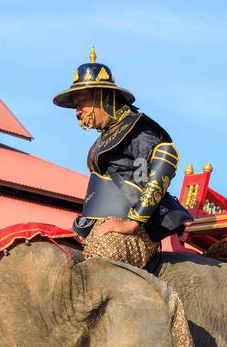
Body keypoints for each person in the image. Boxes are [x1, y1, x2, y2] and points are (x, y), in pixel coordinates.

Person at [52, 48, 191, 268]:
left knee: (101, 259)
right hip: (94, 223)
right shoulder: (105, 137)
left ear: (102, 96)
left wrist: (132, 223)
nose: (77, 111)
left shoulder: (139, 129)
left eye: (82, 102)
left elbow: (165, 161)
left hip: (135, 231)